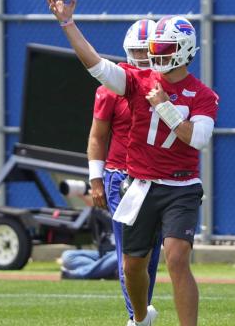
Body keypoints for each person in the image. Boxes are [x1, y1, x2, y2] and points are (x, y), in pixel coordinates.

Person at [48, 0, 218, 326]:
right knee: (132, 265)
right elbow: (96, 66)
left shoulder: (202, 95)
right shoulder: (138, 81)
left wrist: (164, 107)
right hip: (140, 186)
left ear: (182, 50)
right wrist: (66, 22)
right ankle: (141, 318)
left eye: (164, 48)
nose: (155, 55)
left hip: (181, 186)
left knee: (177, 257)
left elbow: (197, 139)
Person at [88, 19, 162, 323]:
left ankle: (141, 313)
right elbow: (97, 135)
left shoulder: (165, 84)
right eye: (136, 51)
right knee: (130, 254)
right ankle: (136, 317)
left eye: (146, 51)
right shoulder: (112, 87)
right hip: (122, 178)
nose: (142, 58)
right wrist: (95, 179)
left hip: (159, 178)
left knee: (153, 254)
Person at [60, 207, 118, 280]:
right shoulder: (97, 211)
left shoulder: (124, 210)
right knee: (68, 256)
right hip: (103, 254)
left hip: (119, 255)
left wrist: (102, 212)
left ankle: (80, 274)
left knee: (119, 256)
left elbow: (116, 223)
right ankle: (104, 271)